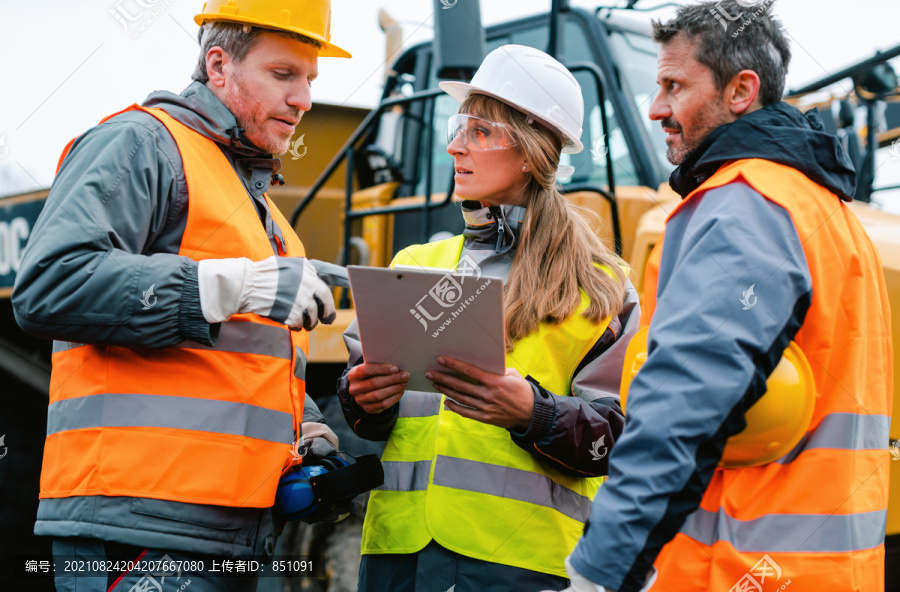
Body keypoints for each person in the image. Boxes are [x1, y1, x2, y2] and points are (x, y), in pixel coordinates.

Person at [553, 2, 893, 591]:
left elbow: (683, 401)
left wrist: (600, 569)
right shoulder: (830, 214)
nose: (656, 108)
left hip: (731, 567)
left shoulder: (742, 202)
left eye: (674, 86)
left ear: (741, 91)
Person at [11, 1, 350, 590]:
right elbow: (47, 284)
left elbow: (238, 368)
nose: (304, 99)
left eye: (310, 80)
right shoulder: (141, 143)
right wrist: (231, 284)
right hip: (137, 528)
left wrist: (307, 432)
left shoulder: (266, 215)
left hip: (229, 535)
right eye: (283, 74)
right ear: (218, 66)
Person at [337, 45, 641, 592]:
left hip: (520, 566)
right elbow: (370, 420)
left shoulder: (603, 287)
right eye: (459, 127)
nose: (454, 146)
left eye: (478, 132)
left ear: (529, 152)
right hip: (395, 555)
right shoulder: (415, 265)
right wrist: (363, 400)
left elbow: (624, 441)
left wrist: (535, 414)